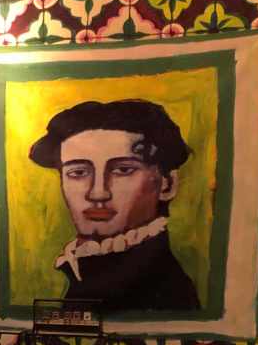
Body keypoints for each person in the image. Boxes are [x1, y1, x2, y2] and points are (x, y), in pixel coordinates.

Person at [28, 98, 200, 312]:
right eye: (78, 172)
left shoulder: (168, 293)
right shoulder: (86, 270)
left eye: (123, 170)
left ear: (168, 185)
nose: (97, 193)